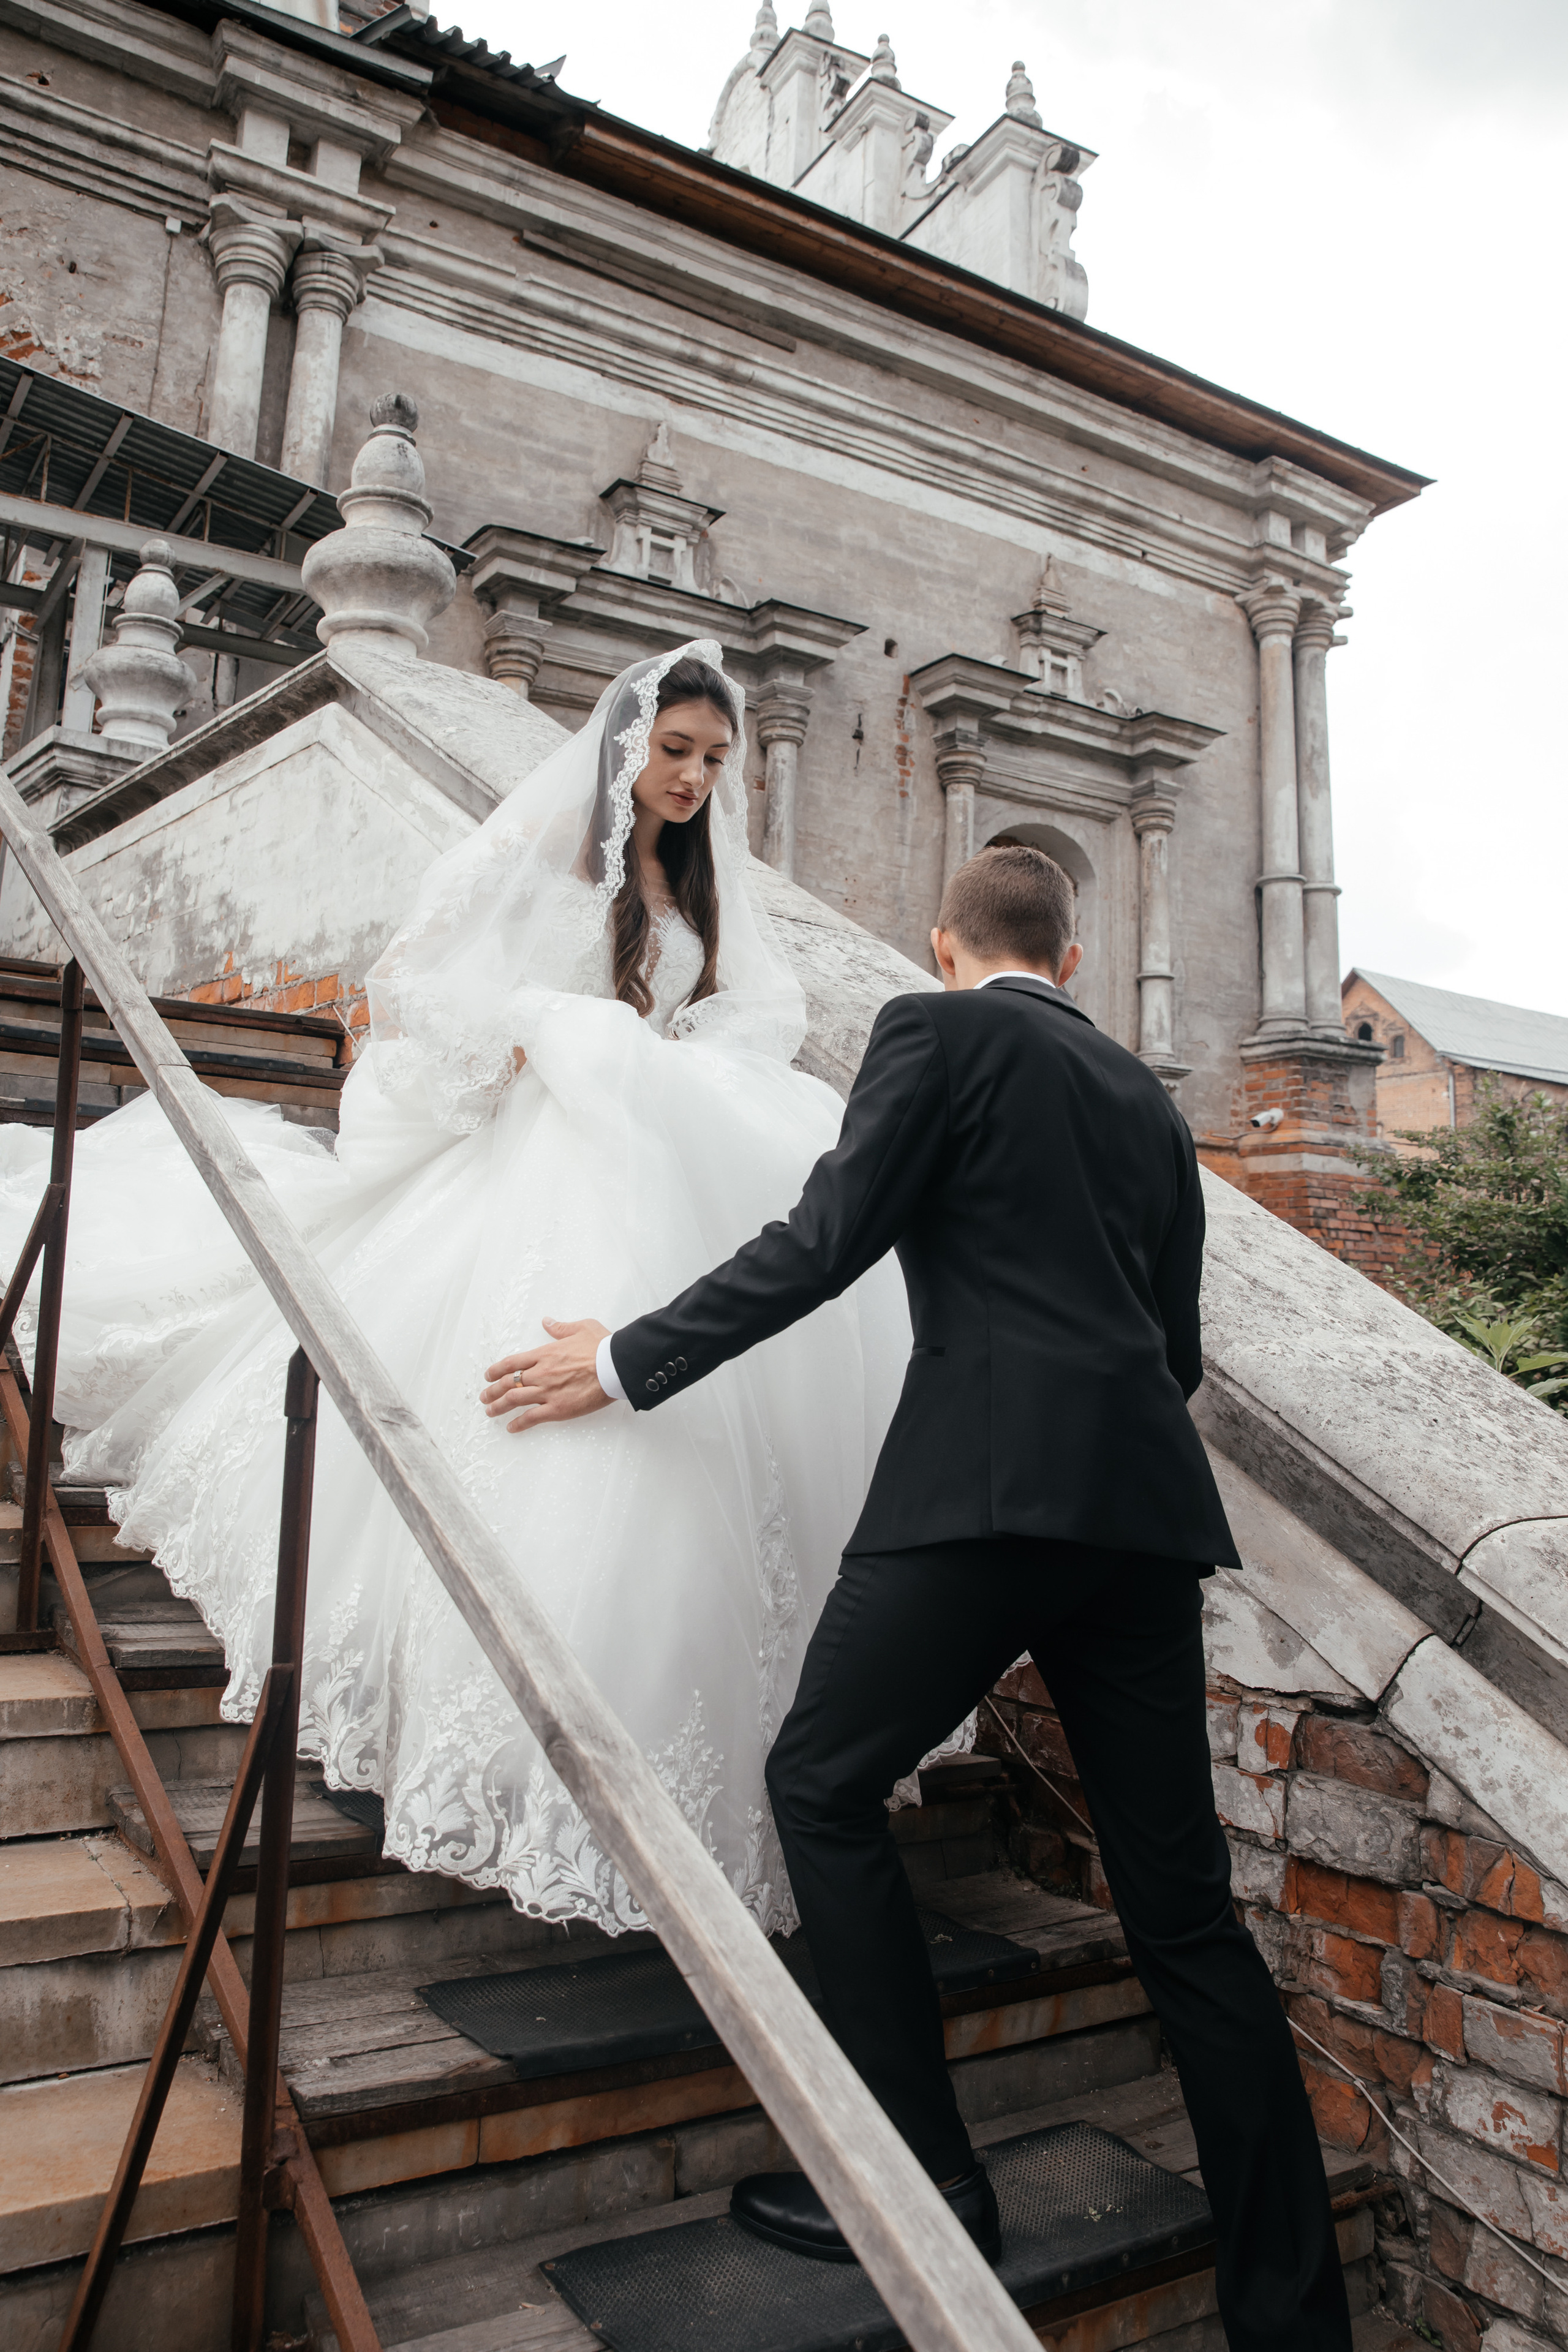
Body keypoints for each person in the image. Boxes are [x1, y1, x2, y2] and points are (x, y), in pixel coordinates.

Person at [484, 843, 1352, 2352]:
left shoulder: (930, 1031)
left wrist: (625, 1359)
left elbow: (824, 1242)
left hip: (980, 1491)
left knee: (818, 1783)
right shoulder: (1146, 1103)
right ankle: (1292, 2319)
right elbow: (1174, 1350)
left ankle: (921, 2177)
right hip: (1141, 1518)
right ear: (1068, 961)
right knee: (1185, 1919)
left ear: (941, 943)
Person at [0, 640, 913, 1939]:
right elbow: (418, 985)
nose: (696, 779)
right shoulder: (540, 857)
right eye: (674, 752)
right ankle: (505, 1732)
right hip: (542, 1147)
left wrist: (675, 1058)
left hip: (649, 1149)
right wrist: (540, 1032)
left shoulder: (705, 885)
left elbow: (758, 1012)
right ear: (625, 746)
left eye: (714, 760)